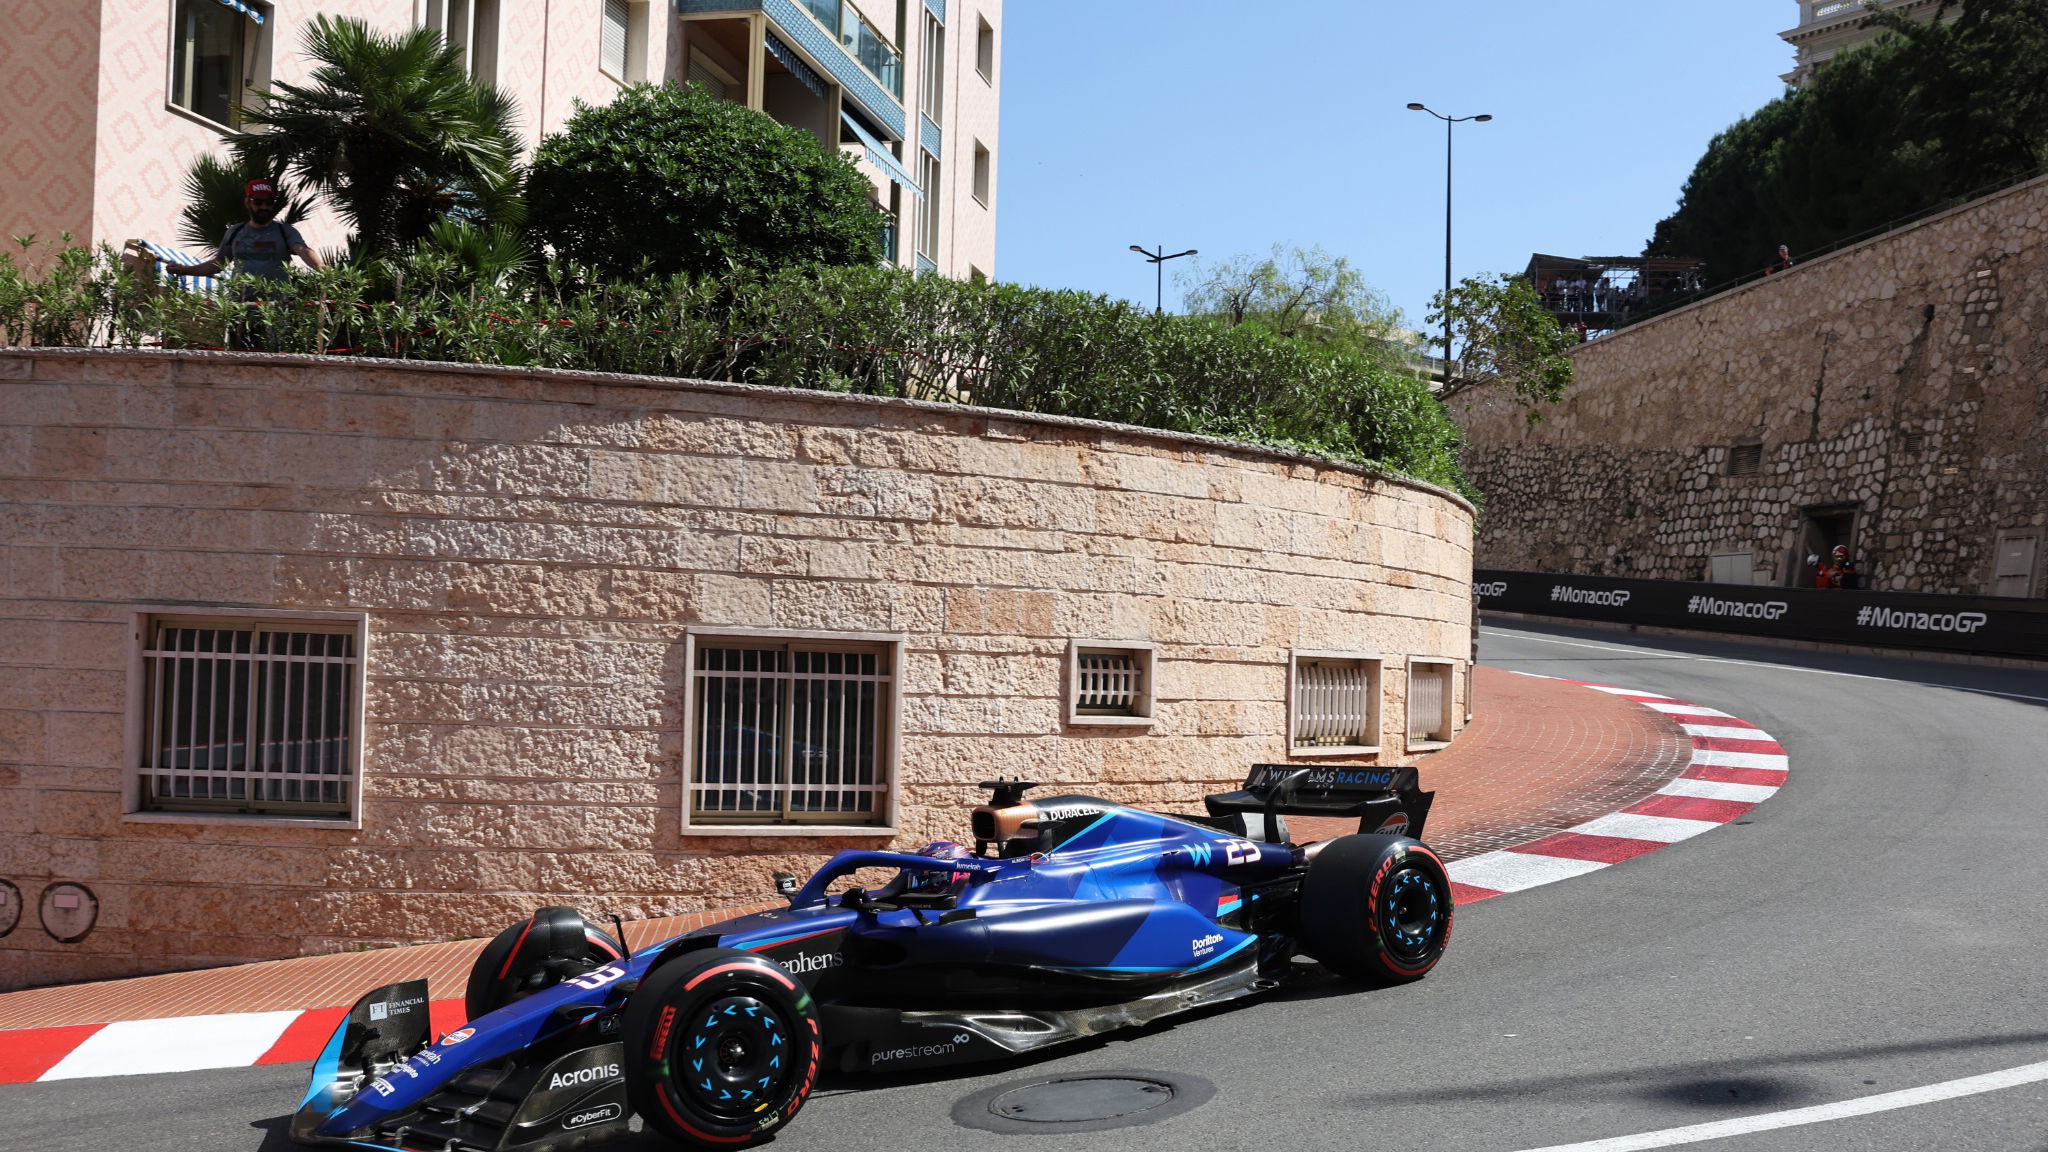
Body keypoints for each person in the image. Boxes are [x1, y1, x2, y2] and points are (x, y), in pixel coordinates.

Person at [159, 178, 323, 288]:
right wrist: (185, 269)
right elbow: (218, 264)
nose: (264, 207)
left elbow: (303, 250)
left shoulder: (285, 231)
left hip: (274, 311)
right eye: (258, 202)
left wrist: (323, 269)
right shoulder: (235, 232)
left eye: (268, 202)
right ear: (247, 202)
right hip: (241, 308)